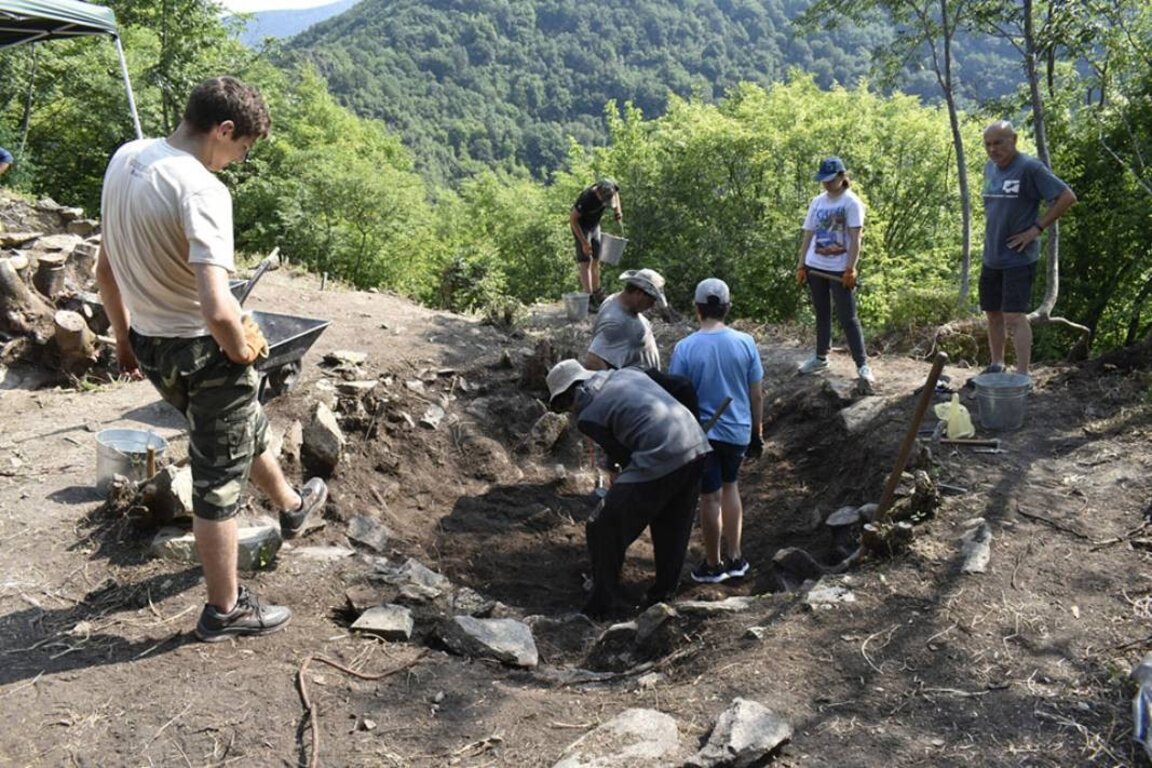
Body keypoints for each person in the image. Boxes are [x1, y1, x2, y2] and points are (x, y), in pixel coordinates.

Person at [96, 76, 328, 643]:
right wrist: (242, 352)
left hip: (151, 343)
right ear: (223, 130)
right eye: (242, 148)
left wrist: (123, 339)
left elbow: (105, 268)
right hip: (201, 351)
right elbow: (218, 308)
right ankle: (224, 610)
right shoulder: (202, 190)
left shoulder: (128, 158)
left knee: (239, 427)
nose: (239, 160)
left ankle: (291, 504)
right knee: (217, 484)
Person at [546, 359, 711, 617]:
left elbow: (622, 454)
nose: (569, 410)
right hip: (697, 446)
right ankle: (662, 594)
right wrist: (693, 427)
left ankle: (604, 604)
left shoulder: (588, 416)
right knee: (673, 524)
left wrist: (622, 483)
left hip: (659, 454)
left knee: (601, 526)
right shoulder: (630, 372)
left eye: (564, 405)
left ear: (570, 394)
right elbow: (683, 385)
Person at [669, 278, 764, 583]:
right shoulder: (746, 342)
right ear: (728, 307)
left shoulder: (685, 348)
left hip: (702, 435)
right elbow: (756, 394)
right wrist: (757, 432)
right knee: (731, 487)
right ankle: (735, 558)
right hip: (738, 431)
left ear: (696, 308)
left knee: (710, 498)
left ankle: (713, 564)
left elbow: (676, 397)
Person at [980, 121, 1077, 375]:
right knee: (993, 313)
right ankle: (997, 365)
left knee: (1014, 316)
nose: (993, 149)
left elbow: (1067, 196)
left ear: (1013, 139)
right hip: (991, 254)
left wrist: (1036, 228)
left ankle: (1023, 375)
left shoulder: (1029, 168)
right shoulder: (989, 168)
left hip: (1018, 257)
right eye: (988, 144)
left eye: (998, 143)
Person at [795, 156, 874, 385]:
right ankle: (821, 357)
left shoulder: (851, 203)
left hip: (839, 269)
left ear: (842, 176)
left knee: (848, 317)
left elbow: (855, 238)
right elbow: (808, 234)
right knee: (822, 312)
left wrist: (850, 268)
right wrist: (801, 264)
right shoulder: (817, 202)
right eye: (824, 180)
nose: (827, 184)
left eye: (831, 180)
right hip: (815, 266)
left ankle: (862, 364)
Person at [585, 268, 665, 371]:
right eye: (652, 300)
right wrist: (612, 381)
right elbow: (593, 362)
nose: (652, 305)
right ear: (638, 294)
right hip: (635, 379)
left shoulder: (615, 300)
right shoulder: (617, 323)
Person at [570, 178, 622, 311]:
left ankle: (597, 292)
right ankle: (588, 298)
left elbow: (616, 194)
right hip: (582, 228)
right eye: (603, 199)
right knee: (586, 261)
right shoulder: (586, 198)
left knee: (596, 259)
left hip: (595, 226)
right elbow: (573, 220)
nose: (605, 202)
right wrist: (584, 242)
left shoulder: (611, 187)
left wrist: (617, 211)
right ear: (598, 191)